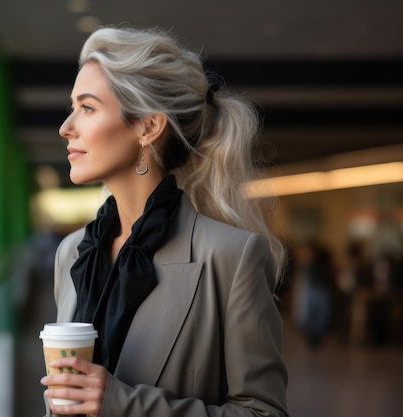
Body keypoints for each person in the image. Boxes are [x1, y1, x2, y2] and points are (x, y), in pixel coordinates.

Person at [40, 25, 288, 417]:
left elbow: (264, 412)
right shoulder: (73, 253)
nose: (66, 127)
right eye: (73, 108)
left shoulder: (231, 257)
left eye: (87, 108)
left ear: (148, 127)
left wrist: (120, 403)